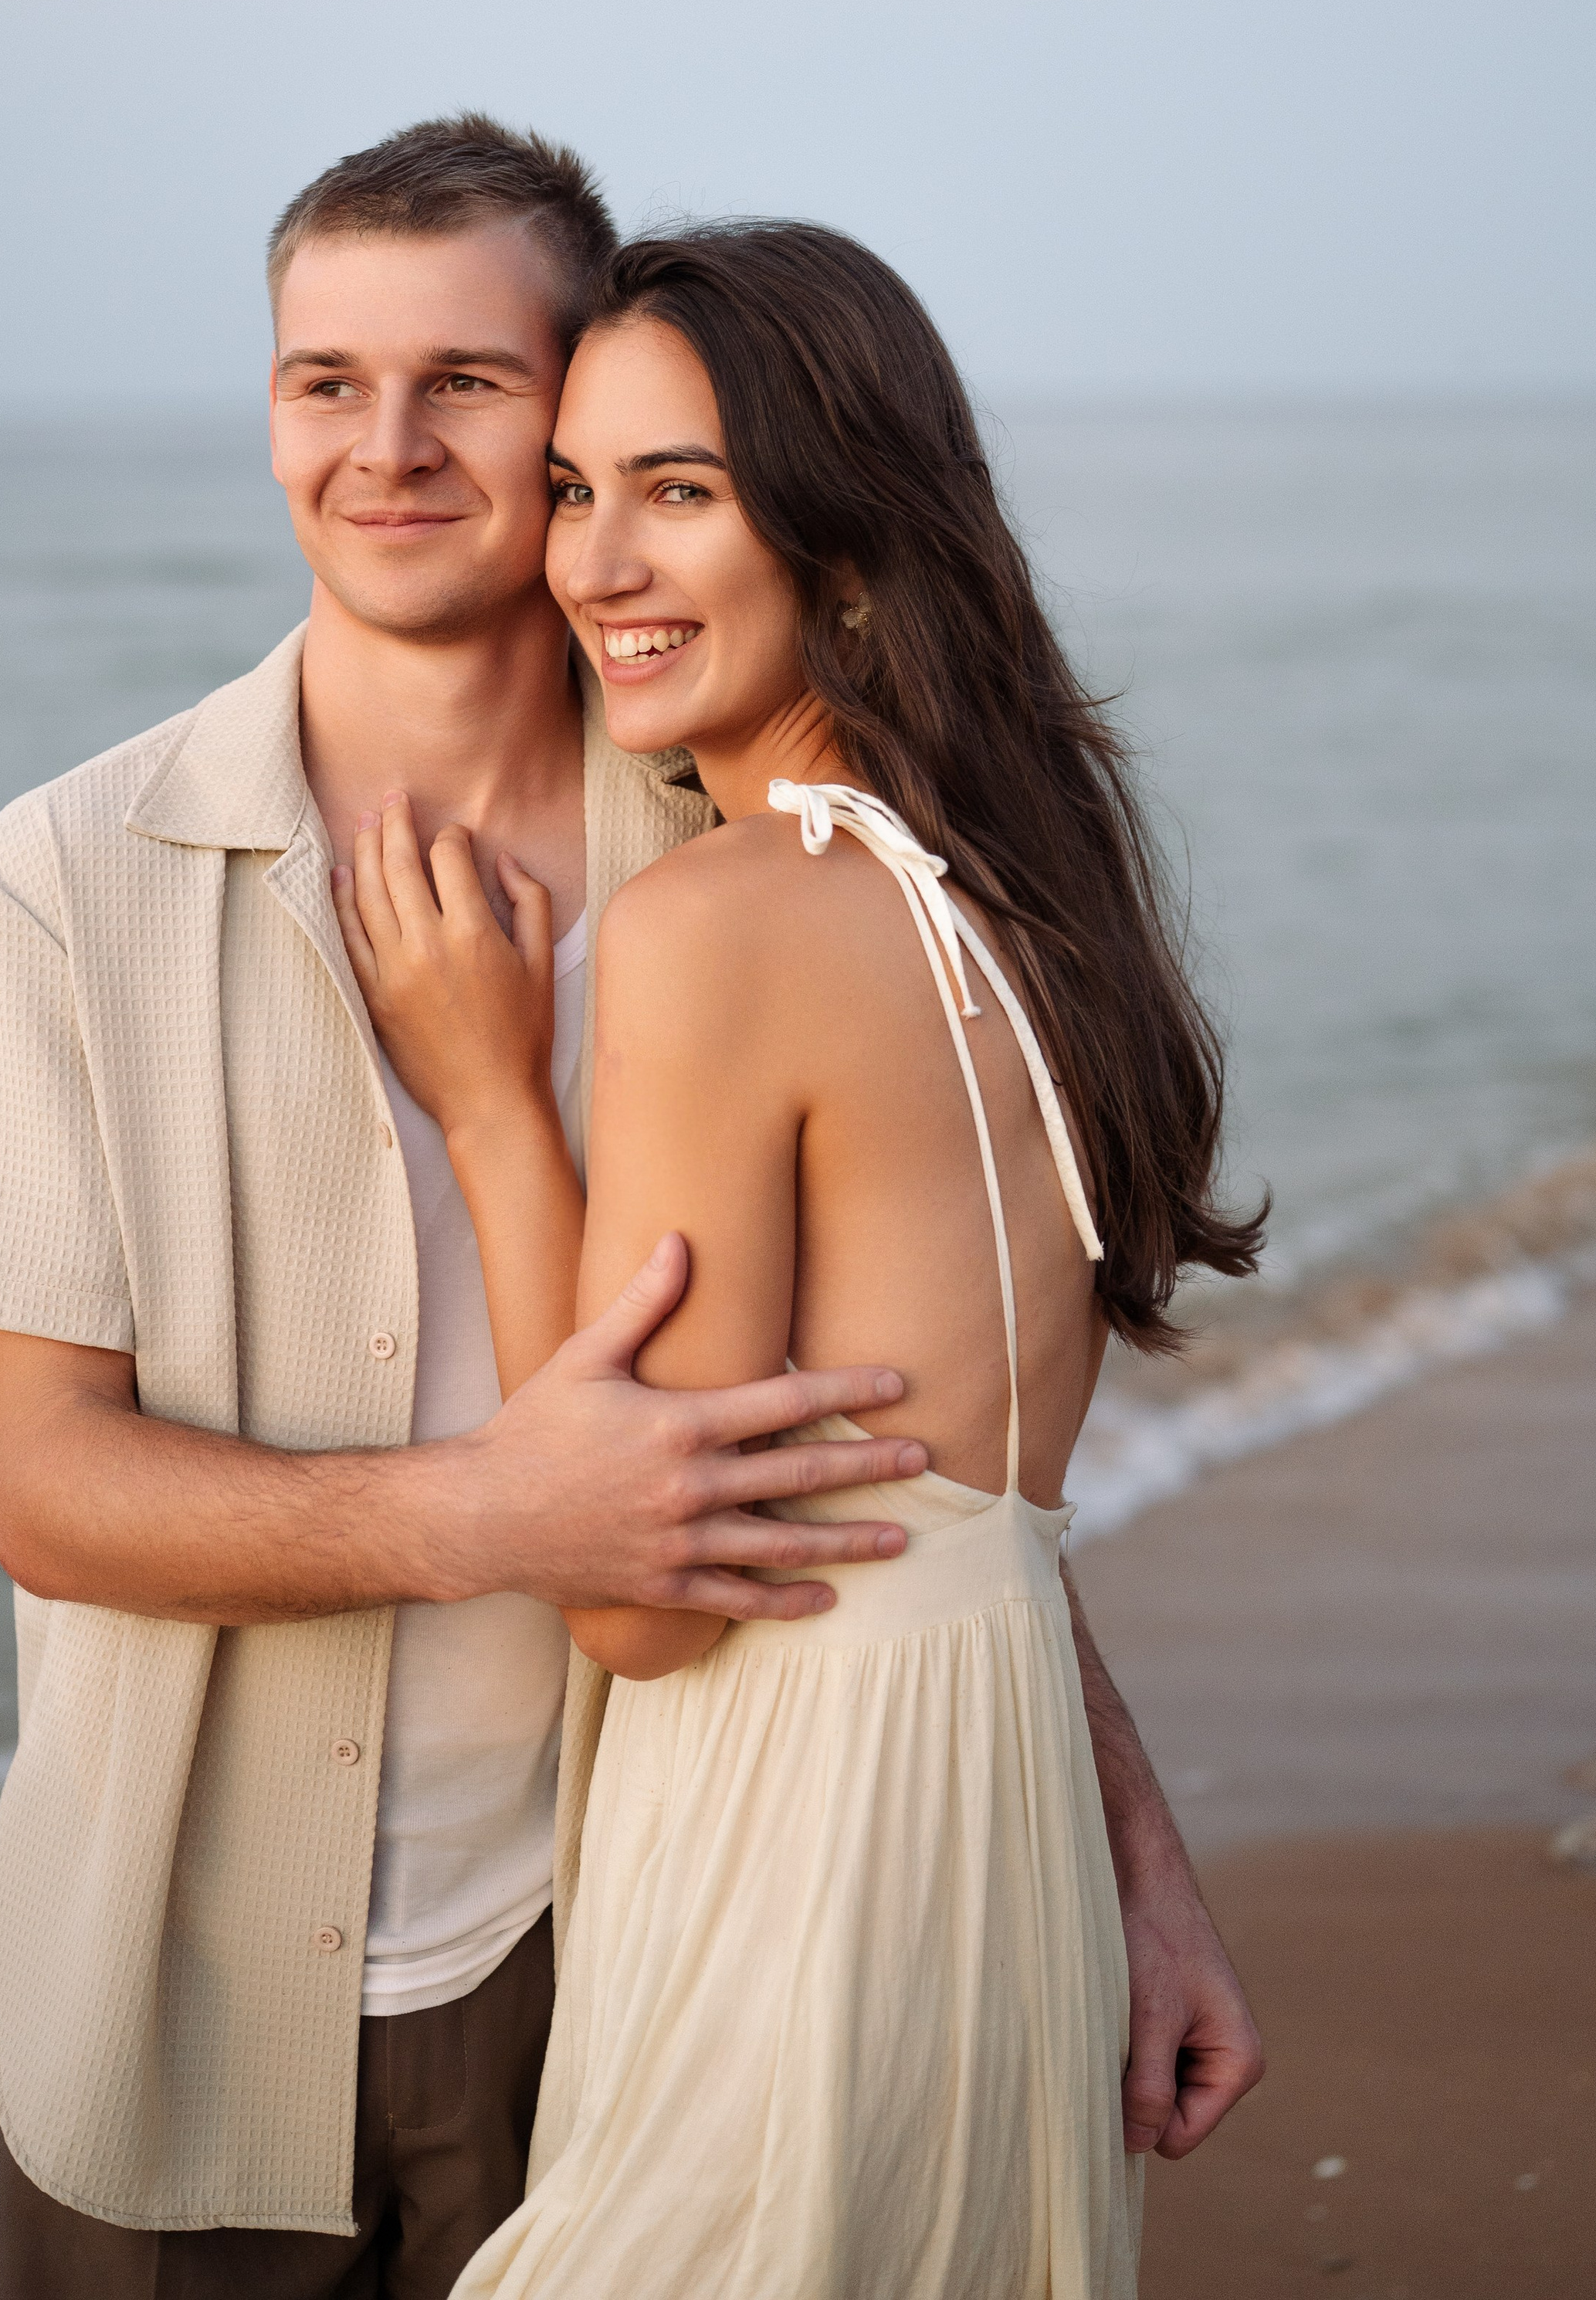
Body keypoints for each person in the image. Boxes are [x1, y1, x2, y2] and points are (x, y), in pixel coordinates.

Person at [0, 119, 1259, 2298]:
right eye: (325, 381)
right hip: (175, 1985)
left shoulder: (740, 867)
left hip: (621, 1944)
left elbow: (888, 1447)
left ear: (577, 399)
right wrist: (498, 1511)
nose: (387, 448)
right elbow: (46, 1489)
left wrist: (1126, 1854)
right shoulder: (53, 894)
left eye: (469, 385)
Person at [334, 220, 1269, 2298]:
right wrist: (1142, 1860)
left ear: (843, 538)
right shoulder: (1028, 903)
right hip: (999, 1819)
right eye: (573, 489)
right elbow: (973, 1479)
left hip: (803, 1836)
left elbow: (638, 1601)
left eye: (678, 491)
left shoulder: (720, 921)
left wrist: (489, 1096)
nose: (595, 565)